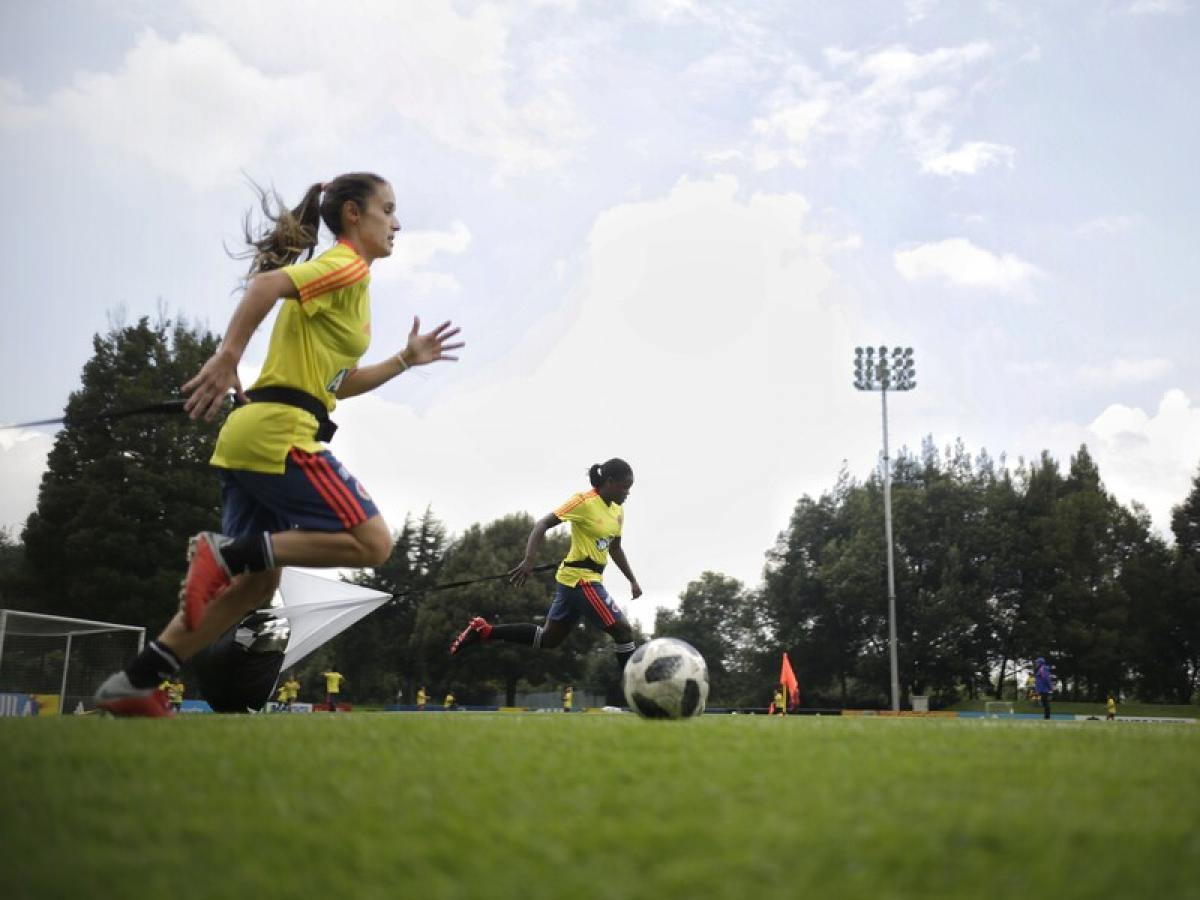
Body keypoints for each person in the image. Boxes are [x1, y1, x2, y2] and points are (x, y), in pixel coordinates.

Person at [93, 173, 463, 716]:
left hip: (253, 434)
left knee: (253, 587)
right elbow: (266, 287)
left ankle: (135, 681)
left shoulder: (351, 287)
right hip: (279, 434)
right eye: (389, 209)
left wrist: (406, 359)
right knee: (373, 543)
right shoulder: (346, 264)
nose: (398, 222)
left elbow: (341, 382)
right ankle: (224, 552)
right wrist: (226, 357)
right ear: (355, 214)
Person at [449, 459, 641, 681]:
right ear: (609, 482)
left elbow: (615, 547)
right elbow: (542, 524)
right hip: (580, 580)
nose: (628, 493)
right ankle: (636, 690)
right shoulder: (583, 502)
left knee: (548, 639)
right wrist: (529, 559)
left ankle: (485, 631)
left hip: (583, 579)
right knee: (623, 631)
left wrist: (632, 580)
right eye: (625, 487)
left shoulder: (618, 511)